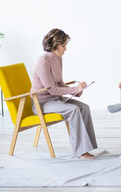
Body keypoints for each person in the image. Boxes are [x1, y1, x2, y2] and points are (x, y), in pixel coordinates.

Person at [31, 28, 98, 159]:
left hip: (56, 99)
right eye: (63, 46)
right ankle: (81, 152)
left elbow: (60, 82)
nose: (65, 49)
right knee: (73, 110)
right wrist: (74, 89)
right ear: (55, 45)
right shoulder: (42, 62)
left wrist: (76, 91)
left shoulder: (58, 59)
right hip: (41, 103)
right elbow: (52, 89)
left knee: (84, 108)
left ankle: (87, 147)